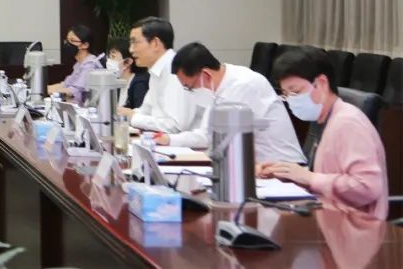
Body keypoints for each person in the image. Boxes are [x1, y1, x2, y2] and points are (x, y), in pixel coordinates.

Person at [257, 46, 387, 219]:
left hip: (355, 226)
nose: (290, 101)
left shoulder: (348, 123)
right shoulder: (326, 120)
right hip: (329, 218)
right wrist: (288, 173)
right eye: (286, 94)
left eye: (295, 92)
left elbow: (367, 187)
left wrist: (309, 178)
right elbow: (327, 176)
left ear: (322, 83)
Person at [153, 42, 305, 163]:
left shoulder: (243, 86)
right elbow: (207, 135)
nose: (190, 92)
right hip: (256, 170)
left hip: (282, 170)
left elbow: (226, 146)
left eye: (190, 87)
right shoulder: (218, 88)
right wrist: (168, 139)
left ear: (205, 75)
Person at [127, 17, 194, 133]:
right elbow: (146, 111)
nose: (131, 50)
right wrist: (126, 114)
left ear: (155, 43)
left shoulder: (174, 70)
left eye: (135, 43)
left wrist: (133, 117)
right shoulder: (156, 71)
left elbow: (175, 126)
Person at [46, 24, 102, 104]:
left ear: (85, 45)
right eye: (67, 40)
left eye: (72, 40)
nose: (67, 43)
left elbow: (73, 91)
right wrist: (42, 88)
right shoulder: (79, 64)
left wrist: (45, 90)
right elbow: (65, 84)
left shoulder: (90, 65)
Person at [109, 38, 148, 112]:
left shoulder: (140, 84)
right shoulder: (118, 83)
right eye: (109, 57)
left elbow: (139, 114)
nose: (109, 61)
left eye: (113, 57)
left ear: (127, 62)